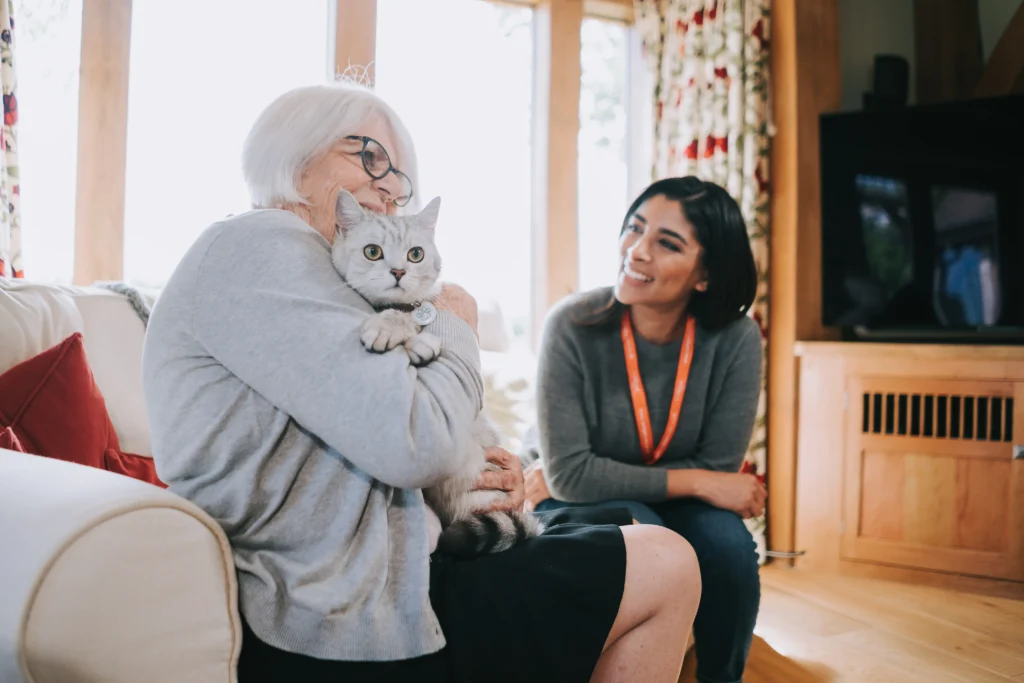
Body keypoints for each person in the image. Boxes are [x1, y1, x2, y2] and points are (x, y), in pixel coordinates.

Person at [141, 80, 701, 683]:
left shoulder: (325, 279)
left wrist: (477, 471)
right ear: (293, 155)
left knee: (633, 538)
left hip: (389, 580)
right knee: (667, 562)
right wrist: (457, 327)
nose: (390, 187)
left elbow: (403, 429)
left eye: (400, 177)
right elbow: (417, 444)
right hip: (340, 619)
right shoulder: (259, 244)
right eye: (371, 157)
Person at [524, 176, 766, 683]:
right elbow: (571, 478)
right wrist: (700, 482)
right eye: (634, 229)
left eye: (667, 243)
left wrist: (598, 472)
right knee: (639, 529)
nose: (636, 250)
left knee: (728, 547)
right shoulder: (569, 324)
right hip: (572, 497)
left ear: (706, 274)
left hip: (654, 493)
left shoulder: (737, 339)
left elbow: (718, 461)